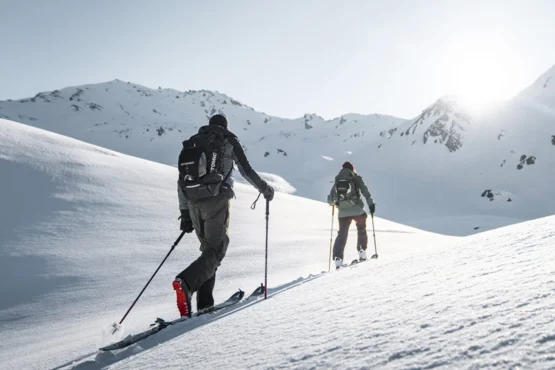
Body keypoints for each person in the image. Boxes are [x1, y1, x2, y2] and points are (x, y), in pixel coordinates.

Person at [173, 114, 274, 317]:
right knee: (215, 252)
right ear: (225, 126)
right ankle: (186, 282)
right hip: (216, 201)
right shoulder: (228, 140)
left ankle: (204, 304)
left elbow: (181, 181)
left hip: (193, 204)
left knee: (209, 253)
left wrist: (185, 213)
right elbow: (246, 170)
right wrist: (265, 189)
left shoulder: (193, 142)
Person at [327, 161, 375, 268]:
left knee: (342, 234)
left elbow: (330, 199)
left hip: (342, 213)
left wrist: (336, 203)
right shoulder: (356, 178)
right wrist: (371, 205)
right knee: (361, 228)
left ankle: (338, 259)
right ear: (352, 169)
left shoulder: (338, 179)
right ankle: (362, 251)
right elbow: (365, 191)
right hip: (357, 210)